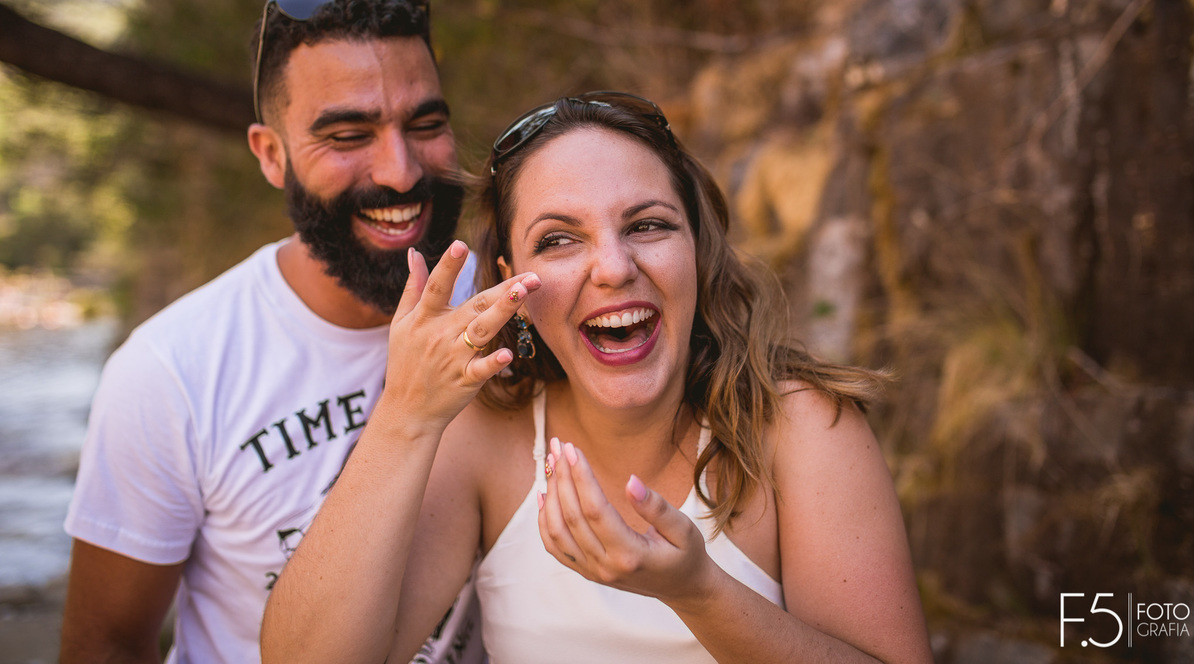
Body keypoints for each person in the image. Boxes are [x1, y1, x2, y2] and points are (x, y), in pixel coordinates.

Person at [260, 90, 934, 663]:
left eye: (647, 225)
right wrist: (403, 417)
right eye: (559, 239)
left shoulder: (800, 427)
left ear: (697, 251)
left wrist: (700, 592)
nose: (613, 267)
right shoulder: (485, 440)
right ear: (512, 286)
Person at [60, 0, 485, 664]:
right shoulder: (170, 370)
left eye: (426, 125)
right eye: (348, 134)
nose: (402, 171)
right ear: (271, 154)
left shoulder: (508, 303)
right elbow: (105, 645)